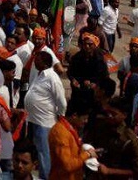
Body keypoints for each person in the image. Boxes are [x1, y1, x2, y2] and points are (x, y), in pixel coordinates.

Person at [24, 50, 66, 179]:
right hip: (32, 119)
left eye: (38, 60)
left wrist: (60, 115)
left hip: (44, 121)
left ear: (45, 63)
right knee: (33, 151)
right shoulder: (40, 74)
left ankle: (45, 177)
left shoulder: (52, 78)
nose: (35, 62)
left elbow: (61, 101)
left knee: (44, 153)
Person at [47, 100, 94, 180]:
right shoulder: (60, 132)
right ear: (74, 115)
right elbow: (68, 165)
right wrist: (87, 154)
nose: (86, 121)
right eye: (84, 118)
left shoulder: (70, 128)